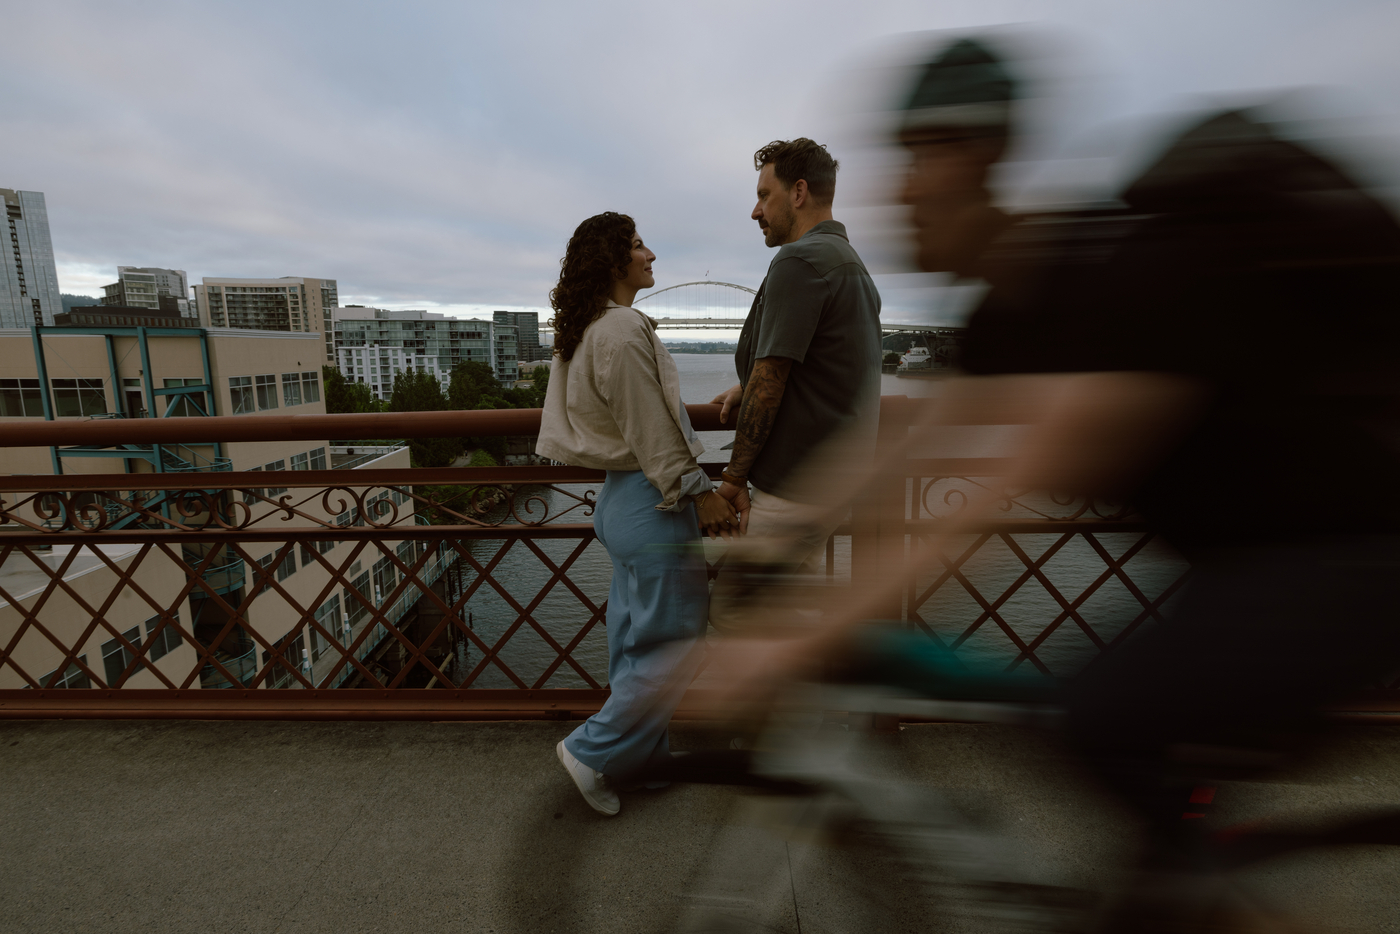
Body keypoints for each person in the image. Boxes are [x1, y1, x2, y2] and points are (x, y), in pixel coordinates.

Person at [708, 34, 1400, 929]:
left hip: (1347, 564)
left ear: (981, 157)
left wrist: (793, 645)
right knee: (1120, 751)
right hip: (1241, 564)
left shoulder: (1121, 279)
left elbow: (989, 503)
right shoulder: (1004, 314)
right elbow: (905, 456)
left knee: (1102, 719)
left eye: (921, 159)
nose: (902, 192)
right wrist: (789, 549)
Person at [536, 211, 739, 816]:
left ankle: (637, 759)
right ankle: (591, 750)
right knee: (675, 644)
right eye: (639, 246)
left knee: (634, 640)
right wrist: (700, 491)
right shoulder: (623, 329)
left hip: (620, 500)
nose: (651, 256)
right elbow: (651, 426)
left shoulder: (591, 326)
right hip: (654, 501)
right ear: (613, 260)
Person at [708, 138, 883, 634]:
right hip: (834, 481)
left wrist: (732, 481)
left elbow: (771, 382)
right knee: (786, 612)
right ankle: (817, 676)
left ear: (799, 192)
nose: (755, 211)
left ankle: (810, 679)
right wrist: (747, 384)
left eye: (765, 195)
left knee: (733, 612)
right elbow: (829, 367)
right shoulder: (849, 263)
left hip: (794, 488)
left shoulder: (798, 262)